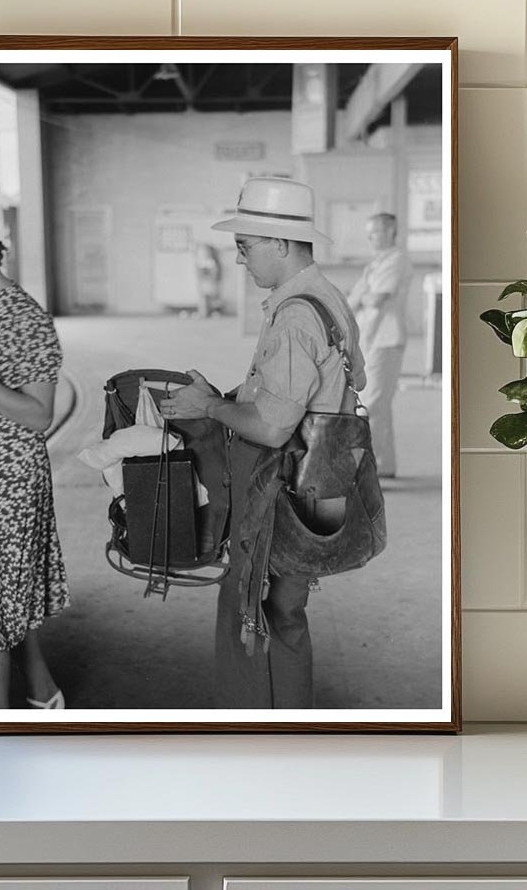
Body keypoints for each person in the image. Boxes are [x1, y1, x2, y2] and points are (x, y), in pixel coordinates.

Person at [161, 177, 365, 709]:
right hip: (322, 483)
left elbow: (274, 427)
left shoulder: (296, 314)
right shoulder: (328, 298)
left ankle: (254, 731)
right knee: (287, 613)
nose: (240, 260)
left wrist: (208, 408)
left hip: (281, 491)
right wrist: (230, 395)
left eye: (245, 248)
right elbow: (329, 388)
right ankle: (291, 726)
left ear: (279, 242)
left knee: (250, 611)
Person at [0, 234, 69, 709]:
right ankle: (44, 693)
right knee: (1, 603)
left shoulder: (25, 317)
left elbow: (41, 416)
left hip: (10, 479)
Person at [347, 212, 412, 479]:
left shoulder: (397, 260)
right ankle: (383, 465)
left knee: (373, 404)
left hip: (386, 340)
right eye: (369, 233)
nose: (371, 238)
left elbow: (375, 299)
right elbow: (355, 300)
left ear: (390, 231)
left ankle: (369, 469)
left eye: (375, 232)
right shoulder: (377, 263)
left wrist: (363, 296)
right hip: (372, 340)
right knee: (377, 404)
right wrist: (362, 296)